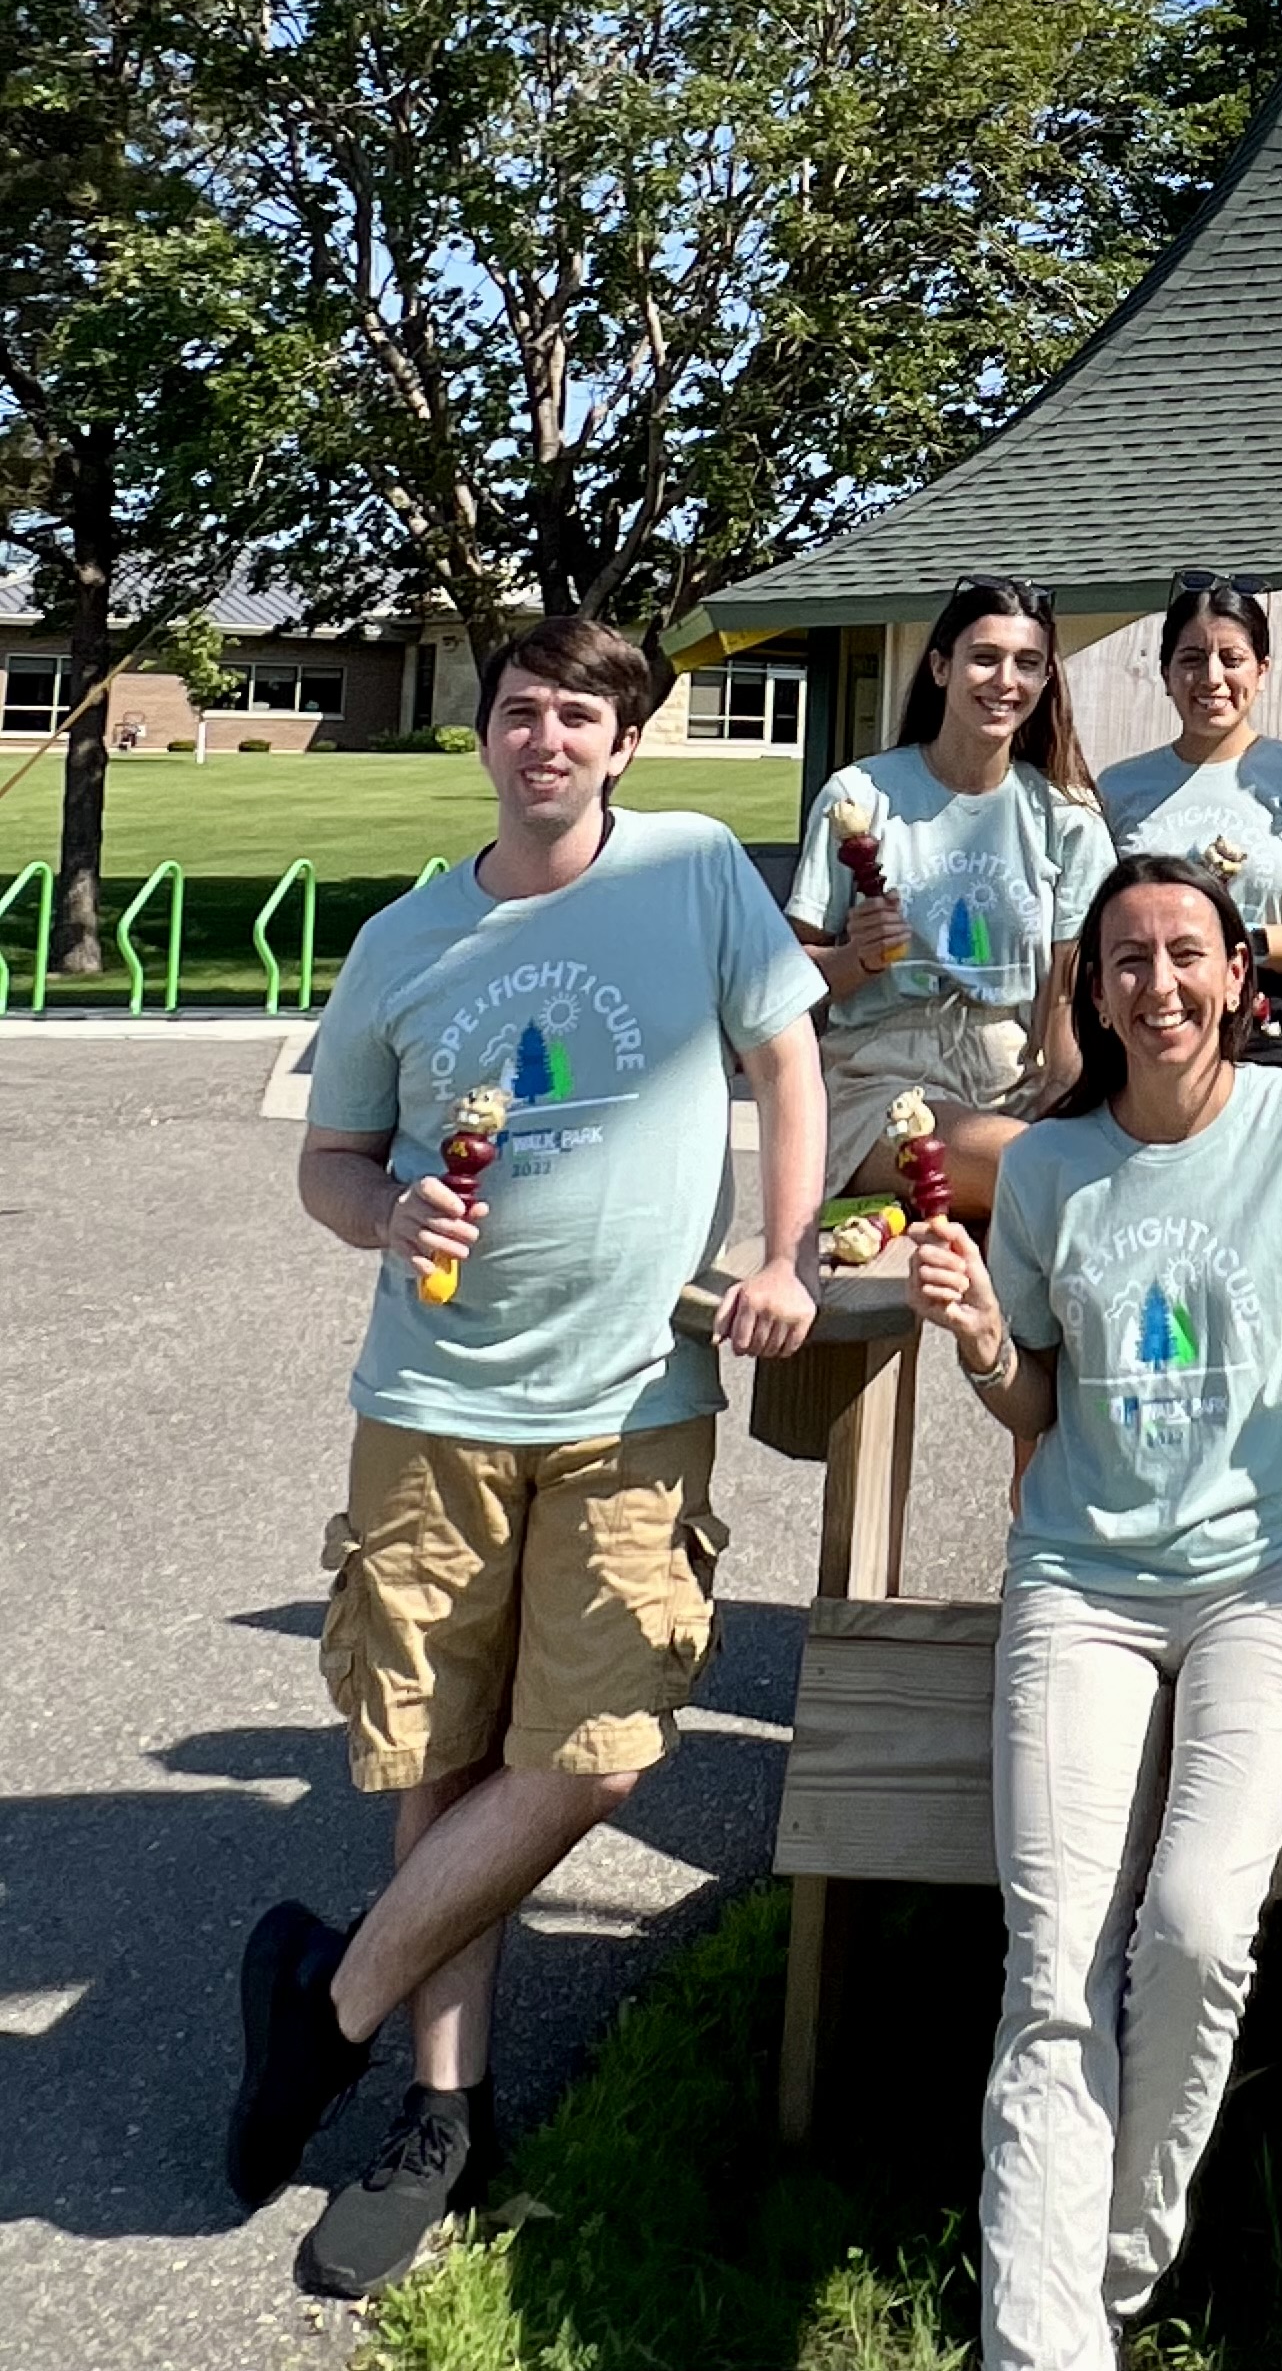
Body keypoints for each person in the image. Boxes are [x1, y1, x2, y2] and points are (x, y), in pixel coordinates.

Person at [231, 613, 823, 2301]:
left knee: (602, 1744)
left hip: (634, 1395)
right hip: (428, 1401)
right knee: (446, 1746)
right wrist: (383, 1202)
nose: (546, 735)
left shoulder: (695, 870)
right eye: (519, 708)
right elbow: (333, 1161)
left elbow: (786, 1057)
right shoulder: (407, 936)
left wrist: (779, 1255)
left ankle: (327, 2001)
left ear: (623, 742)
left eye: (578, 712)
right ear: (483, 734)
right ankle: (437, 2114)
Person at [906, 850, 1282, 2371]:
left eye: (1187, 954)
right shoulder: (1050, 1172)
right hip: (1083, 1578)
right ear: (1094, 991)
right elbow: (1036, 1406)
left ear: (1243, 977)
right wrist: (986, 1339)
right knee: (1054, 1951)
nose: (1161, 985)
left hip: (1278, 1573)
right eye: (1126, 961)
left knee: (1194, 1926)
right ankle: (1043, 2340)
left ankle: (1118, 2255)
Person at [789, 577, 1112, 1220]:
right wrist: (858, 958)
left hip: (1015, 1077)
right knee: (1033, 1172)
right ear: (941, 666)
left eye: (1027, 663)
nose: (1005, 680)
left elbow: (1071, 992)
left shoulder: (1065, 818)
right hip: (880, 1079)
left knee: (1082, 1173)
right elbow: (784, 982)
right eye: (984, 657)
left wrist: (1068, 1085)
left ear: (1046, 679)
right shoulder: (860, 797)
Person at [1097, 574, 1282, 1072]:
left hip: (1263, 1029)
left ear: (1262, 670)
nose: (1212, 678)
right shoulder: (1118, 788)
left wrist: (1242, 943)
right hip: (1146, 1029)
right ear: (1164, 673)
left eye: (1232, 658)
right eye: (1191, 659)